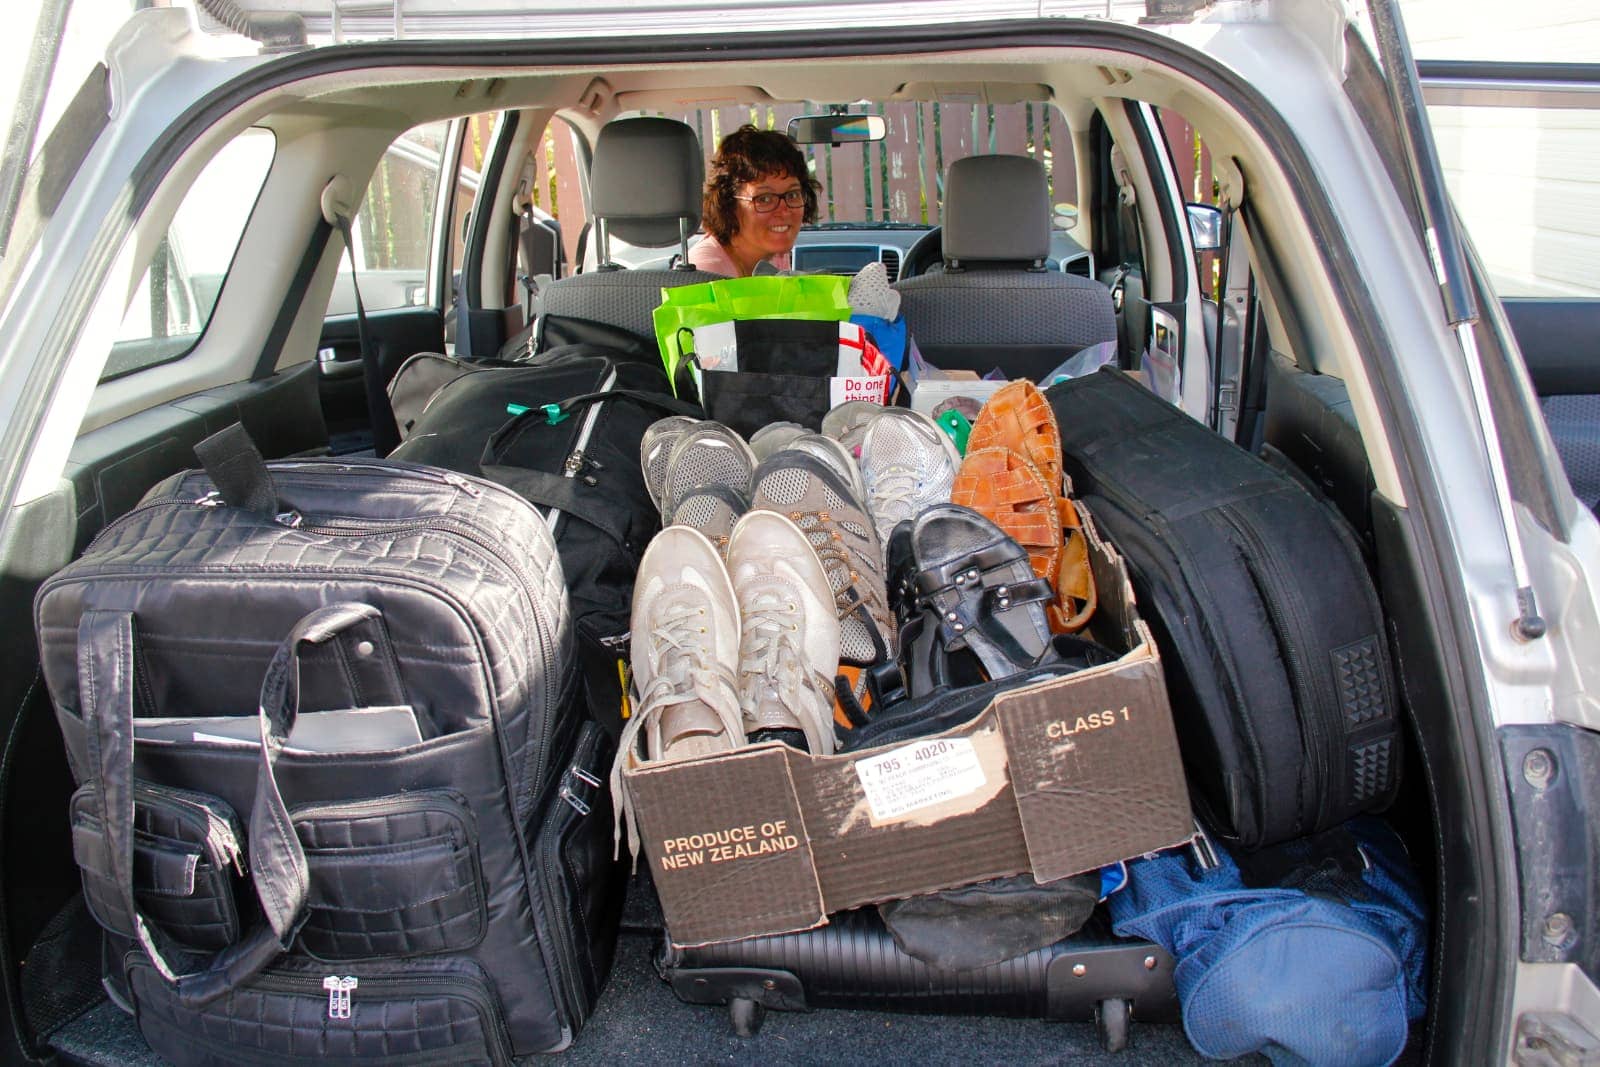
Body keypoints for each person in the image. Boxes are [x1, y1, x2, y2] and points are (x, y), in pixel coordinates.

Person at [690, 124, 821, 277]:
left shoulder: (773, 253)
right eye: (765, 199)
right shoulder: (706, 272)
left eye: (792, 195)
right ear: (729, 204)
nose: (784, 211)